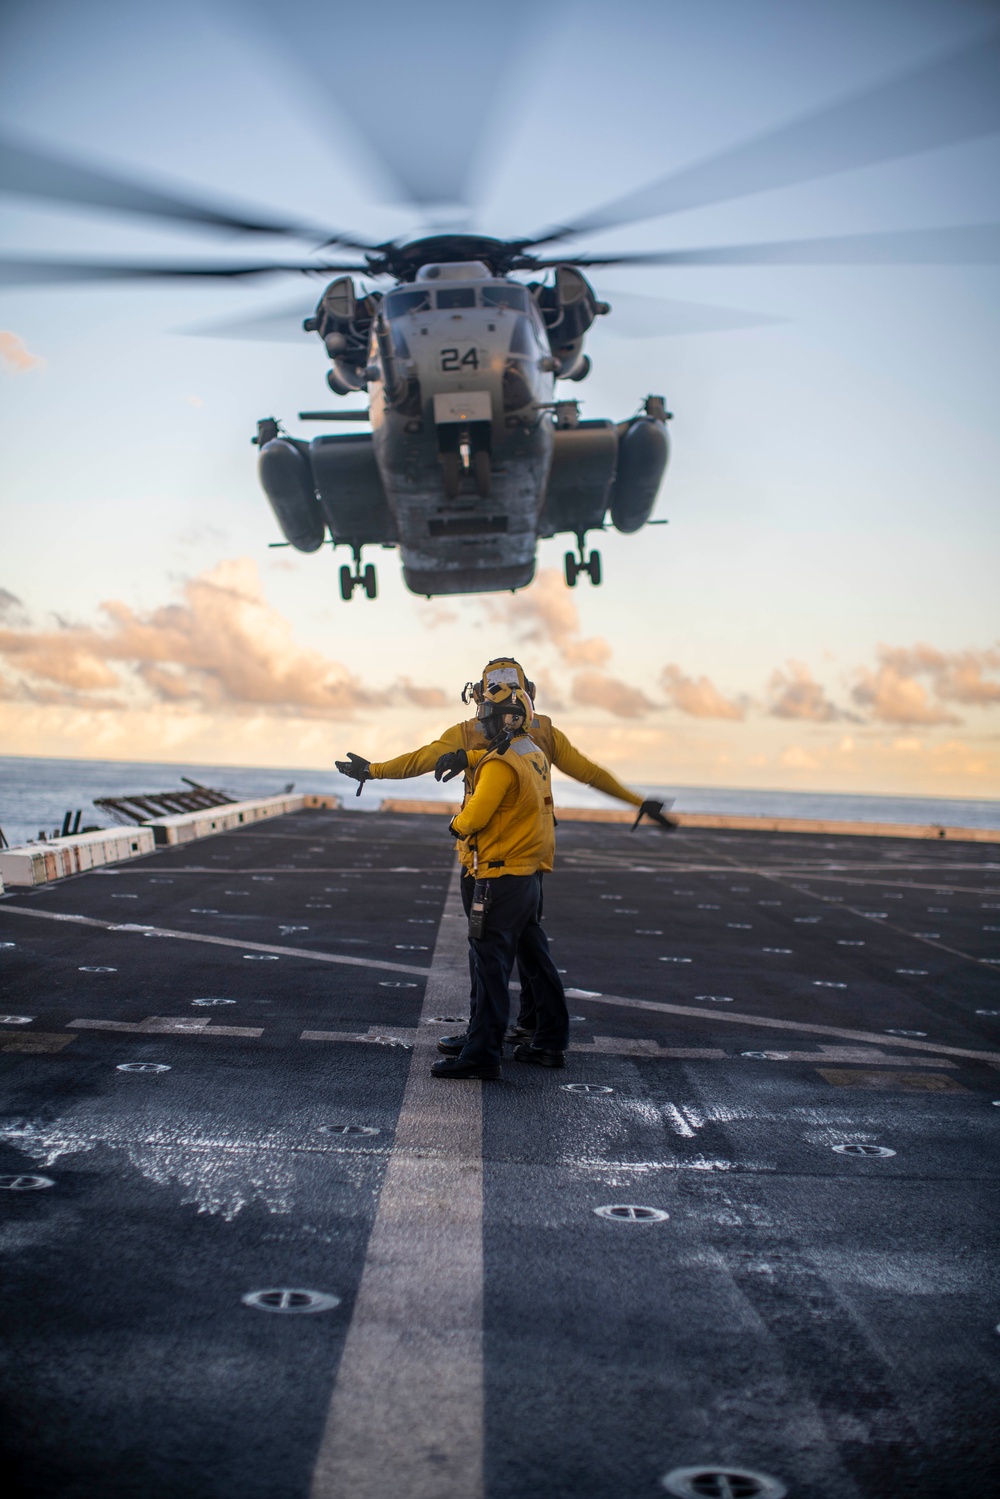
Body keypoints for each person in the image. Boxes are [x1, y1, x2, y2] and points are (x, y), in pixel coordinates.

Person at [335, 656, 675, 1041]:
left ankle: (483, 1039)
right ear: (528, 695)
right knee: (530, 946)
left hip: (490, 859)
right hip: (531, 856)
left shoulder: (467, 733)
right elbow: (589, 772)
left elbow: (422, 760)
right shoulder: (542, 733)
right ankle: (537, 1026)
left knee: (487, 954)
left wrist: (373, 771)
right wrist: (637, 801)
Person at [427, 684, 567, 1080]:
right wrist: (465, 756)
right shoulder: (533, 753)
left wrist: (455, 824)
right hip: (527, 877)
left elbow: (474, 816)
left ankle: (482, 1053)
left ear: (510, 718)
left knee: (489, 965)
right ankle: (550, 1042)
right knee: (538, 961)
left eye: (487, 714)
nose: (480, 721)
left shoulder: (500, 762)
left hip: (497, 877)